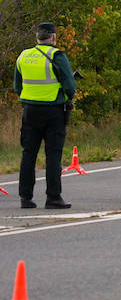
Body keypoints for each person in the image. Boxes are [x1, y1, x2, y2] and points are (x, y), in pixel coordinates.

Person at [12, 22, 76, 209]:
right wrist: (66, 95)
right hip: (53, 110)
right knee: (53, 154)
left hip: (29, 110)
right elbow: (70, 87)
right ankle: (53, 197)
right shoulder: (57, 55)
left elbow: (17, 87)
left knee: (28, 153)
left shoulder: (23, 56)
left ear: (37, 37)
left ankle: (25, 198)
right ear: (54, 37)